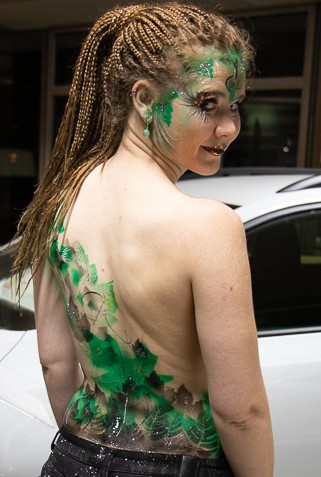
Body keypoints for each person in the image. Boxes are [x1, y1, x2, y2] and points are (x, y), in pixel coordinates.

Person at [13, 2, 274, 476]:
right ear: (144, 98)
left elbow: (55, 362)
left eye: (233, 106)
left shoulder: (58, 206)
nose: (230, 128)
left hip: (73, 458)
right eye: (206, 103)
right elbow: (241, 411)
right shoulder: (209, 226)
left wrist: (94, 459)